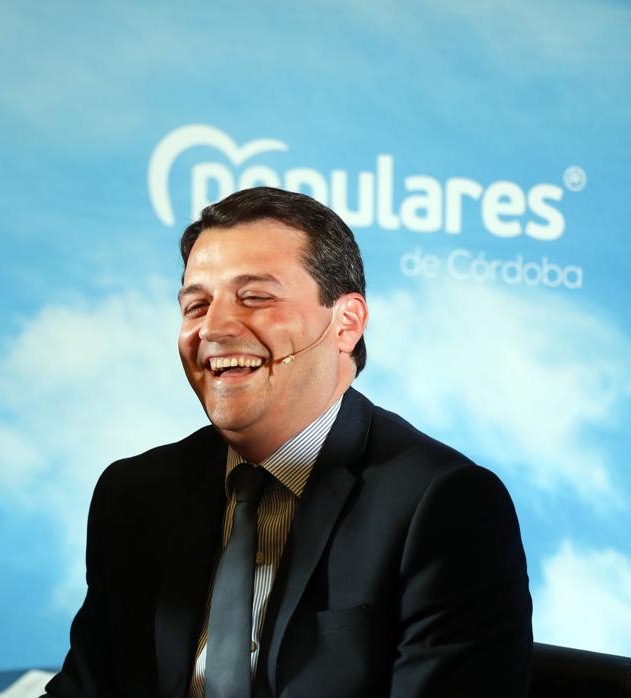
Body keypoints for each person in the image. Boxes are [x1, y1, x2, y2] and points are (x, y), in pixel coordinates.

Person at [45, 187, 532, 697]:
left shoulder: (442, 505)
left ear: (346, 324)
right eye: (196, 305)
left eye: (255, 297)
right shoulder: (135, 494)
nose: (214, 328)